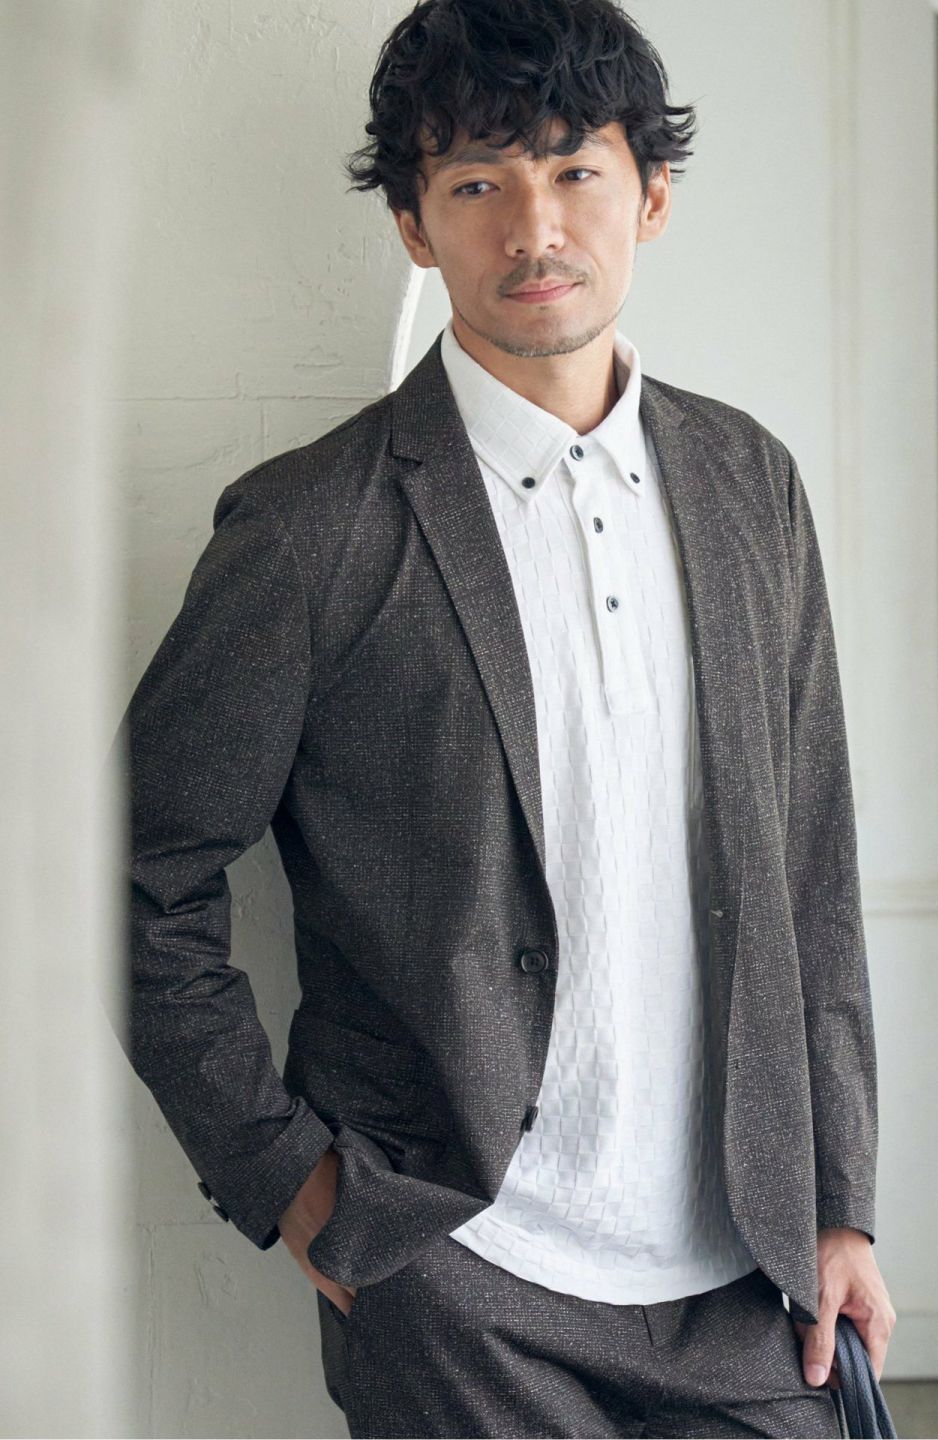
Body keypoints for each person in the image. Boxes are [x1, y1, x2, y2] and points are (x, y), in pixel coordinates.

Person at [113, 1, 896, 1434]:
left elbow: (814, 873)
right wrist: (289, 1180)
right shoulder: (310, 530)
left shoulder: (751, 485)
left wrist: (840, 1202)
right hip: (460, 1279)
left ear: (652, 195)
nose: (534, 228)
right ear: (415, 224)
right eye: (478, 182)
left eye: (575, 169)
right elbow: (130, 876)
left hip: (746, 1279)